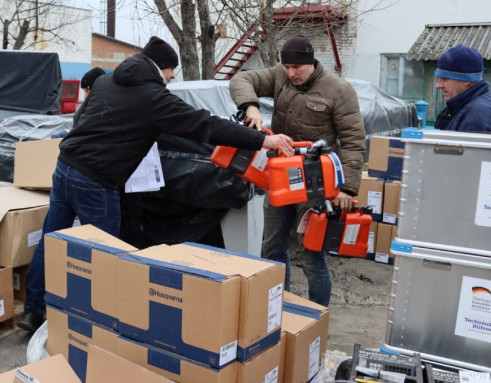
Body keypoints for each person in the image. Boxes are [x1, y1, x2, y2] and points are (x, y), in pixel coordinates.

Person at [18, 36, 294, 332]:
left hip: (64, 169)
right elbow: (205, 125)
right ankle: (102, 323)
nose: (173, 76)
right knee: (104, 256)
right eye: (172, 70)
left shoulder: (105, 82)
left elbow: (83, 120)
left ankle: (33, 311)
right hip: (96, 183)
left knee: (51, 241)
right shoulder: (152, 97)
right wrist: (262, 139)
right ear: (161, 68)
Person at [229, 34, 366, 306]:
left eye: (297, 68)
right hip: (280, 178)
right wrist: (251, 106)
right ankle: (279, 312)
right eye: (287, 67)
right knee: (273, 250)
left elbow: (353, 141)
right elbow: (241, 80)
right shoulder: (280, 75)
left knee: (312, 254)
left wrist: (348, 188)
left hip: (317, 184)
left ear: (311, 63)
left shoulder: (339, 90)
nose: (291, 73)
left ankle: (316, 316)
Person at [434, 44, 491, 132]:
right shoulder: (485, 98)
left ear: (467, 80)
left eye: (445, 79)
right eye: (438, 79)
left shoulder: (477, 116)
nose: (438, 85)